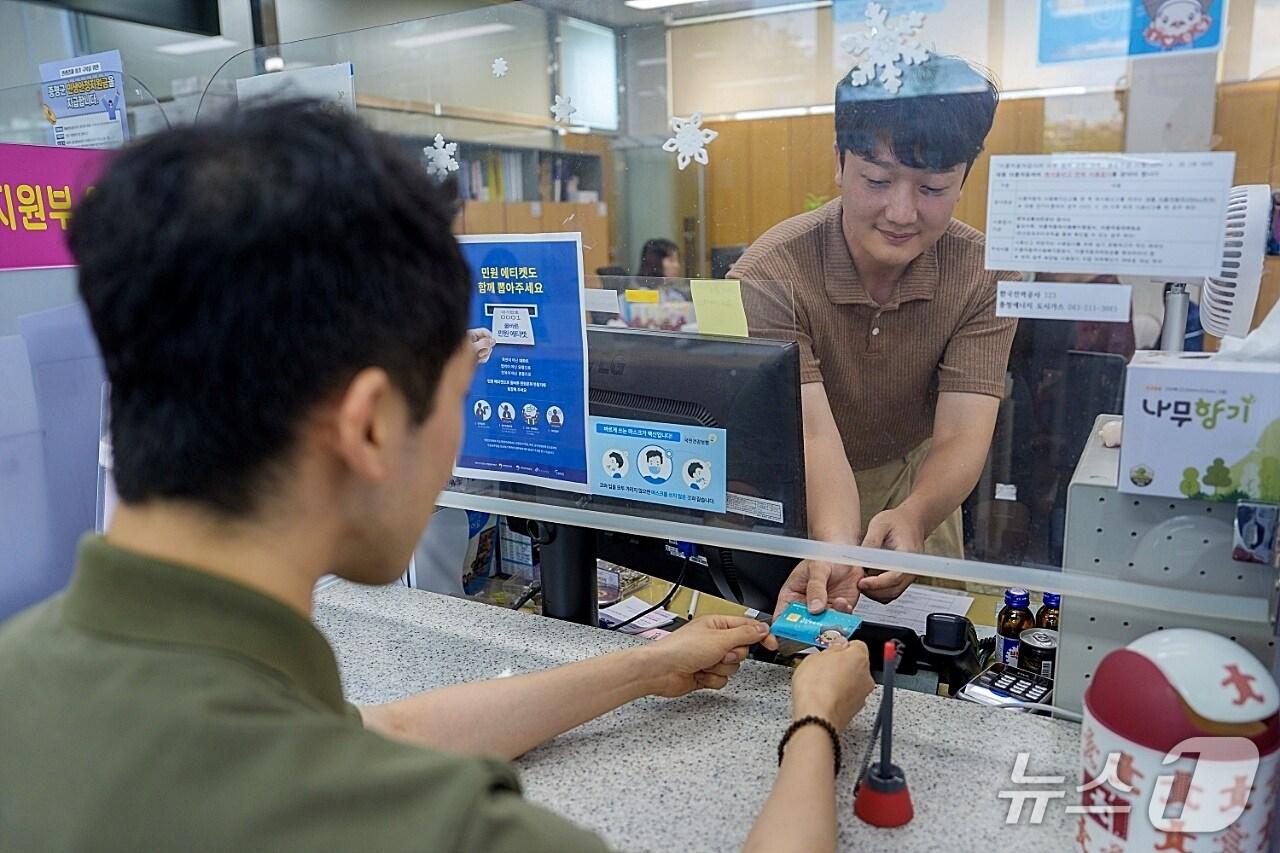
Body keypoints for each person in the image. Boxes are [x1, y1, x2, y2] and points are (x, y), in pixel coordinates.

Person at [0, 102, 874, 853]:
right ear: (373, 425)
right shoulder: (429, 826)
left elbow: (389, 730)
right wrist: (816, 725)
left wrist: (645, 668)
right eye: (463, 385)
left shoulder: (46, 676)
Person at [733, 54, 1016, 616]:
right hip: (804, 482)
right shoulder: (771, 272)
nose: (901, 212)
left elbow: (962, 431)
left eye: (933, 188)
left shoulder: (983, 271)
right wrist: (833, 549)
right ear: (839, 163)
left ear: (964, 178)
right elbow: (812, 435)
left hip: (922, 479)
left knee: (923, 654)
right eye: (878, 180)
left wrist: (915, 516)